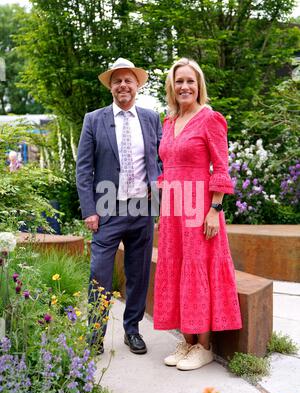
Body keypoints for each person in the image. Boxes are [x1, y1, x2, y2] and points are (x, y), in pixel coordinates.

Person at [153, 58, 242, 371]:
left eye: (190, 81)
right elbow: (167, 168)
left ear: (199, 85)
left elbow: (221, 166)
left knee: (197, 268)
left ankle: (203, 345)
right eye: (179, 82)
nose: (184, 87)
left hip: (200, 206)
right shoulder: (169, 121)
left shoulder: (210, 119)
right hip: (174, 209)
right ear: (172, 86)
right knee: (177, 268)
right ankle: (187, 341)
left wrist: (214, 210)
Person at [76, 58, 162, 355]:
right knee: (100, 273)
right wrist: (89, 209)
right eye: (117, 81)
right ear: (110, 87)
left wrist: (158, 199)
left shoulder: (151, 118)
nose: (123, 85)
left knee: (138, 273)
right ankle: (95, 334)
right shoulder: (94, 119)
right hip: (107, 209)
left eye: (128, 80)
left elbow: (160, 159)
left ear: (137, 85)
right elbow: (84, 168)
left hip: (142, 209)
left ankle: (132, 330)